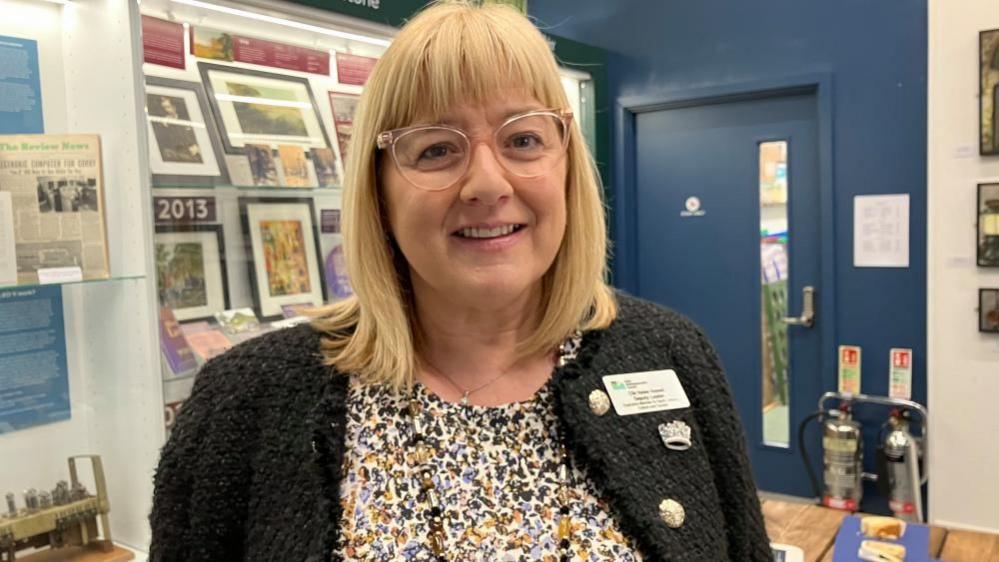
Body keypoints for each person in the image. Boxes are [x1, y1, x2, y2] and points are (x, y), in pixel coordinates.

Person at [148, 2, 772, 561]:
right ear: (379, 191)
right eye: (437, 150)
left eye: (524, 139)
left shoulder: (673, 355)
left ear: (567, 169)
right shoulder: (247, 399)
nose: (488, 184)